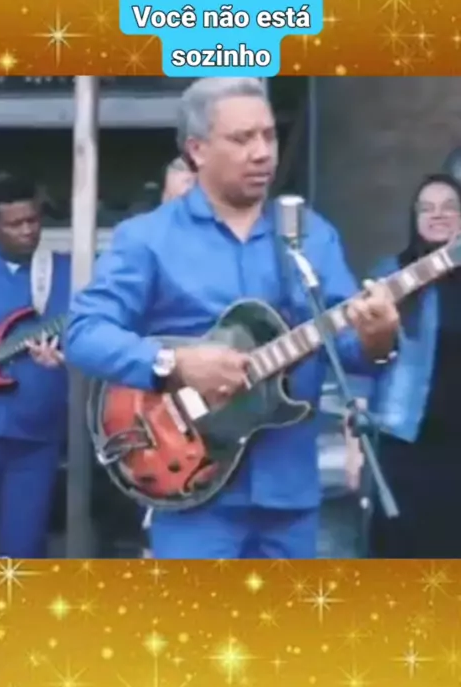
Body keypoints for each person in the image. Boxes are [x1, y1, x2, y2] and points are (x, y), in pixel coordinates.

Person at [66, 77, 399, 560]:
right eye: (242, 139)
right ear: (197, 150)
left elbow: (349, 352)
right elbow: (84, 334)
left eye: (269, 135)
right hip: (190, 482)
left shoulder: (313, 235)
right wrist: (173, 364)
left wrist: (378, 337)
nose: (262, 152)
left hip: (290, 489)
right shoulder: (148, 238)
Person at [351, 173, 461, 558]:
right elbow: (363, 362)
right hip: (406, 439)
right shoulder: (391, 275)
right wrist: (353, 446)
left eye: (449, 207)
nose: (437, 214)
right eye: (426, 208)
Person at [0, 175, 69, 558]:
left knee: (22, 554)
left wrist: (66, 357)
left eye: (33, 220)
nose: (28, 230)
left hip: (36, 433)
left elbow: (95, 335)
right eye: (15, 224)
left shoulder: (65, 271)